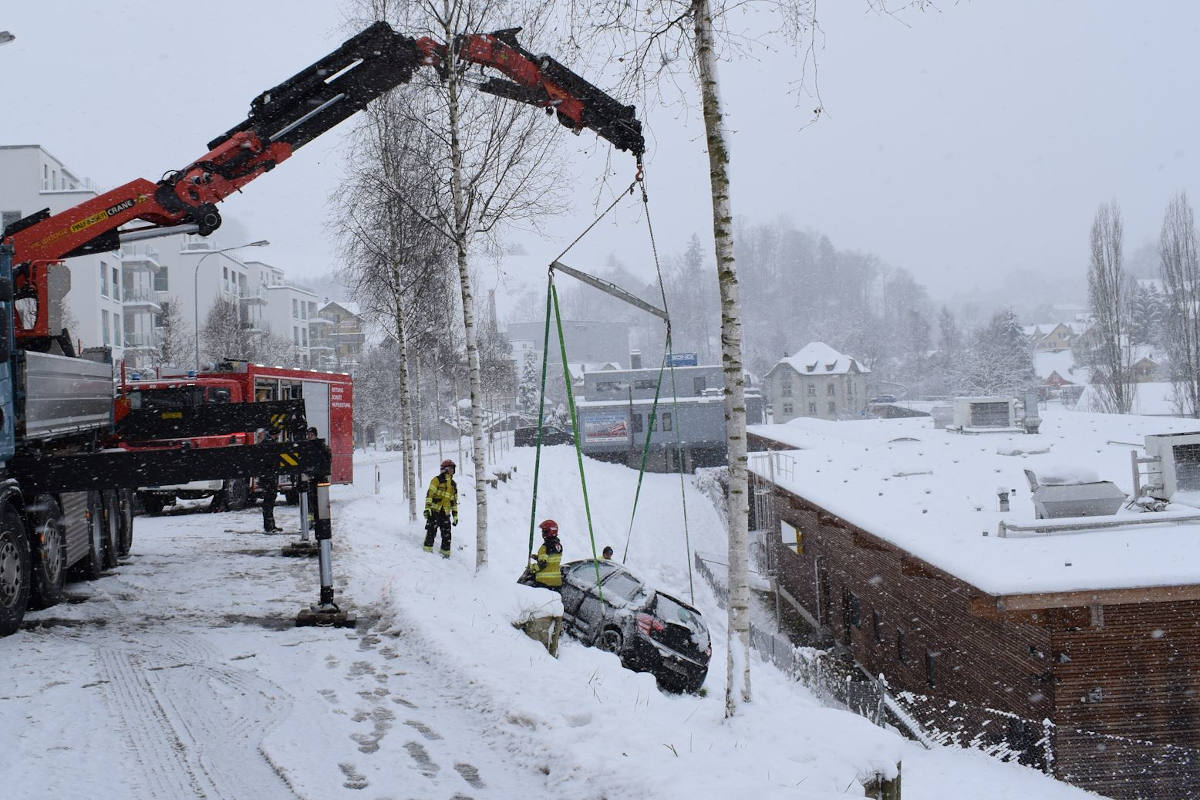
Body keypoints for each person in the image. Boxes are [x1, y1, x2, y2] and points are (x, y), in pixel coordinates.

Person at [423, 459, 458, 557]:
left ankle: (445, 554)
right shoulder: (437, 480)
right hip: (434, 511)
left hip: (445, 513)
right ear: (445, 469)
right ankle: (426, 552)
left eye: (453, 469)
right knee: (431, 531)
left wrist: (455, 515)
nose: (452, 471)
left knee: (447, 535)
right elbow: (430, 494)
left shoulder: (453, 485)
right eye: (451, 468)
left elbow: (453, 502)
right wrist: (427, 508)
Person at [520, 519, 563, 589]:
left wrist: (531, 568)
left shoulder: (545, 547)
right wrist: (537, 557)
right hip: (557, 582)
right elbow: (551, 560)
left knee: (525, 589)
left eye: (544, 531)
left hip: (544, 582)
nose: (542, 533)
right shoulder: (559, 546)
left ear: (549, 531)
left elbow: (542, 565)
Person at [259, 429, 282, 532]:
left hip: (268, 477)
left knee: (269, 501)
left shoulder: (267, 442)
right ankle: (269, 526)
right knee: (269, 502)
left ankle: (271, 525)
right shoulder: (269, 444)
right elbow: (271, 461)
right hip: (268, 477)